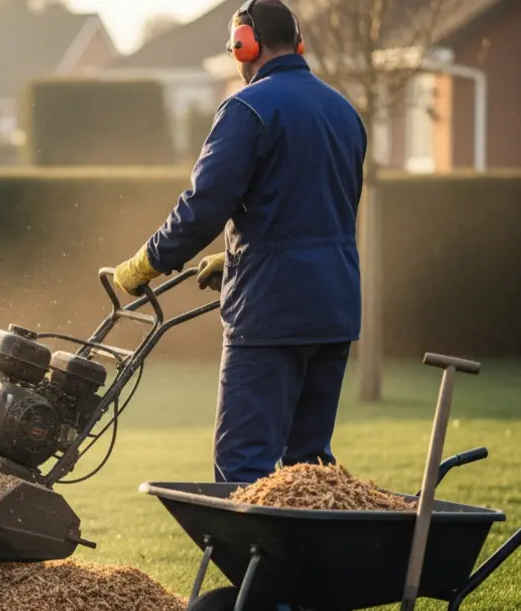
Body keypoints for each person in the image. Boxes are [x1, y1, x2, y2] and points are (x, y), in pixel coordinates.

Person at [111, 0, 368, 485]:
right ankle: (307, 563)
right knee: (309, 470)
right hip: (334, 309)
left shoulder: (247, 107)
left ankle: (255, 564)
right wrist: (229, 259)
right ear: (298, 44)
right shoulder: (344, 112)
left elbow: (203, 206)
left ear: (245, 45)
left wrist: (147, 262)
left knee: (243, 469)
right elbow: (312, 211)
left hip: (271, 312)